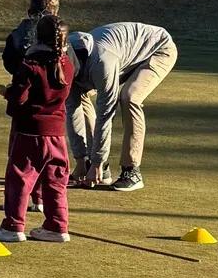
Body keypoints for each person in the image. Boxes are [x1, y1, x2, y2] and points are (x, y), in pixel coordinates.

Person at [0, 13, 73, 243]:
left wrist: (7, 93)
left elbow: (19, 98)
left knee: (19, 177)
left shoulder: (31, 65)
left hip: (30, 131)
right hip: (57, 133)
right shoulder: (67, 65)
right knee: (56, 180)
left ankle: (13, 225)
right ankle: (57, 225)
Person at [67, 21, 178, 192]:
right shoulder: (65, 61)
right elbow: (72, 111)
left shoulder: (102, 63)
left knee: (129, 97)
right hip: (124, 54)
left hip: (158, 48)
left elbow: (106, 113)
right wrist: (81, 160)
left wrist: (98, 160)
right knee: (79, 96)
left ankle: (132, 171)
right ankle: (97, 168)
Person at [1, 0, 60, 74]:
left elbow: (9, 64)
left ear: (29, 13)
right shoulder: (61, 36)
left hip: (24, 83)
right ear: (56, 15)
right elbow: (74, 67)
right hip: (54, 84)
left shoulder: (15, 37)